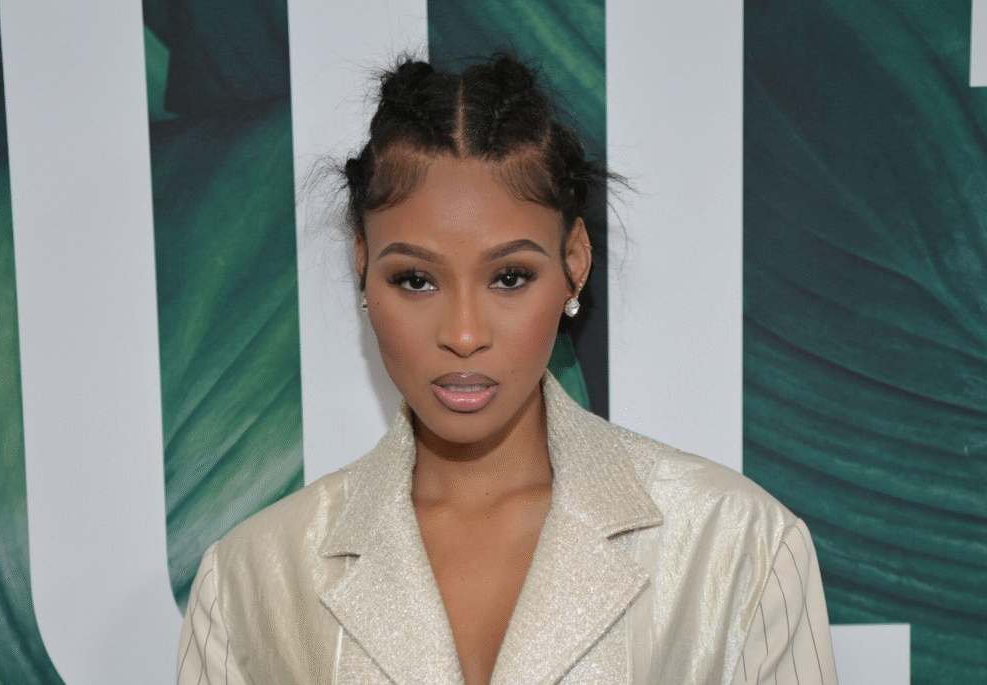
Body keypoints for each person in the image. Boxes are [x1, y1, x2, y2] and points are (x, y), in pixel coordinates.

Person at [176, 54, 837, 685]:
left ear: (574, 263)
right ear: (362, 267)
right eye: (416, 279)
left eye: (510, 277)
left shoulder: (738, 548)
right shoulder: (251, 582)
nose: (464, 335)